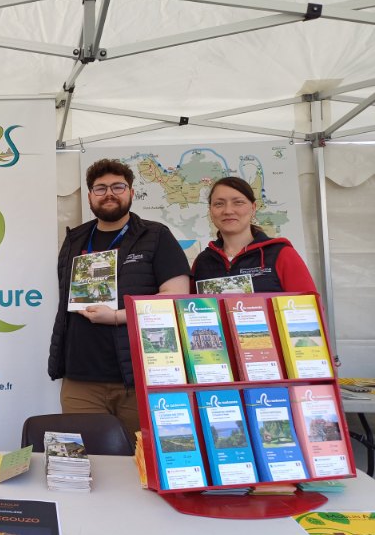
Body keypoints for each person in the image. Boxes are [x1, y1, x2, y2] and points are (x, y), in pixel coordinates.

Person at [48, 159, 190, 438]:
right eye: (100, 188)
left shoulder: (155, 236)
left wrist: (115, 317)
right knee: (88, 462)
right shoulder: (75, 239)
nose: (109, 193)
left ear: (131, 192)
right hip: (81, 378)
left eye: (118, 186)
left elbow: (176, 298)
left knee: (144, 462)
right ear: (90, 196)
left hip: (138, 377)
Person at [191, 176, 317, 292]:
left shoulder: (282, 254)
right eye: (219, 204)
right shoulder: (203, 261)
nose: (228, 210)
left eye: (238, 202)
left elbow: (310, 309)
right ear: (211, 211)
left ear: (253, 208)